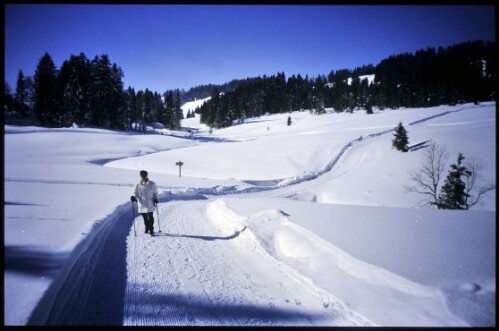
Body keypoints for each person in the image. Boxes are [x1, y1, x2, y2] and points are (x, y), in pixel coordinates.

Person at [131, 170, 158, 235]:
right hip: (142, 204)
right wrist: (134, 197)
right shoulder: (138, 184)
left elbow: (155, 193)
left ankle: (151, 229)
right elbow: (136, 193)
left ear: (146, 175)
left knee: (150, 217)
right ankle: (147, 227)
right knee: (145, 218)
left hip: (150, 203)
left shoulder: (152, 184)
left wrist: (155, 199)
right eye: (142, 175)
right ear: (140, 176)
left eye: (144, 175)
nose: (143, 176)